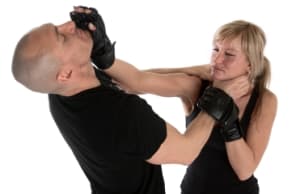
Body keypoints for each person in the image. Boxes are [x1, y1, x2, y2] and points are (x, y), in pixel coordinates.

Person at [11, 6, 249, 194]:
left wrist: (104, 55)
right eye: (62, 37)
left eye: (57, 26)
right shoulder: (120, 115)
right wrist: (216, 101)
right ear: (65, 74)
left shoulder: (61, 92)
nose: (69, 24)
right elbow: (187, 152)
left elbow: (134, 80)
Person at [125, 20, 278, 194]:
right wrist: (194, 69)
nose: (218, 59)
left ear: (250, 63)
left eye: (229, 54)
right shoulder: (196, 86)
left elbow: (244, 171)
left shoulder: (264, 100)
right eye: (216, 49)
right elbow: (133, 84)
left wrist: (228, 119)